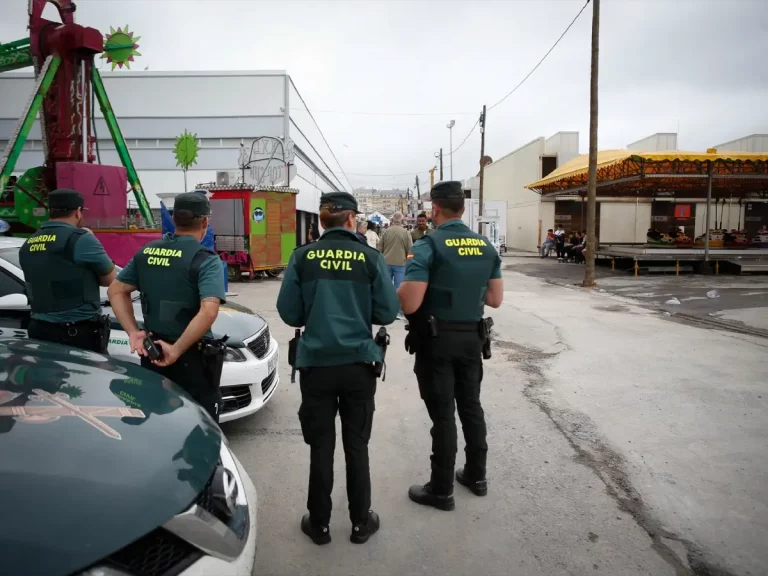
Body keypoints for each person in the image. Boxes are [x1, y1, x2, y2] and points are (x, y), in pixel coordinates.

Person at [277, 191, 399, 546]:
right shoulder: (369, 258)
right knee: (356, 445)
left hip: (316, 365)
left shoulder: (303, 258)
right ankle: (361, 523)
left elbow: (290, 314)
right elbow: (387, 313)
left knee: (321, 448)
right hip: (359, 366)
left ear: (320, 220)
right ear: (351, 219)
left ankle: (319, 525)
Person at [397, 180, 504, 511]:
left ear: (435, 209)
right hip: (473, 339)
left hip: (437, 341)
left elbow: (411, 303)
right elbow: (495, 299)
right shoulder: (485, 246)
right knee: (471, 406)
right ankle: (476, 476)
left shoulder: (429, 245)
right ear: (461, 208)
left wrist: (400, 293)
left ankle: (441, 490)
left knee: (443, 414)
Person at [107, 192, 226, 422]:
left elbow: (115, 290)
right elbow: (209, 311)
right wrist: (178, 349)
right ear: (205, 222)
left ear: (174, 218)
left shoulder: (147, 252)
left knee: (157, 420)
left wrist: (133, 332)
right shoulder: (206, 260)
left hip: (152, 353)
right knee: (199, 425)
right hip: (191, 359)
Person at [19, 189, 115, 353]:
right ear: (78, 212)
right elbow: (110, 279)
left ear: (51, 211)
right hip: (76, 333)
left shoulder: (28, 243)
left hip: (38, 330)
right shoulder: (80, 238)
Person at [377, 211, 413, 319]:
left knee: (386, 287)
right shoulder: (406, 232)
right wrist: (409, 262)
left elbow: (379, 248)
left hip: (386, 262)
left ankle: (386, 309)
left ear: (392, 220)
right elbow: (410, 249)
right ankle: (398, 311)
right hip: (400, 264)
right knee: (399, 288)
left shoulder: (386, 231)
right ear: (402, 220)